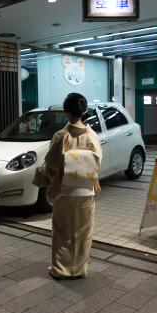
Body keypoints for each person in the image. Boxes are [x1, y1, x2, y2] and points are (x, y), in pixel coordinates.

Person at [44, 93, 102, 280]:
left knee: (62, 230)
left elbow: (52, 165)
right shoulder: (92, 136)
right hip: (86, 191)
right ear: (82, 111)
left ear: (66, 112)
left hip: (65, 191)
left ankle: (60, 269)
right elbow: (97, 164)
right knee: (83, 232)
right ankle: (79, 269)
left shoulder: (61, 136)